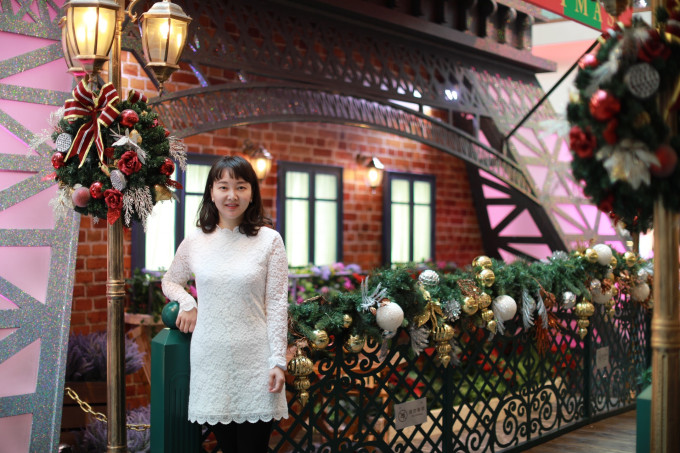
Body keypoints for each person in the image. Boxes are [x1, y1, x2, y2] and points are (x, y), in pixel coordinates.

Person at [161, 155, 289, 452]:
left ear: (252, 193)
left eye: (241, 187)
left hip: (256, 362)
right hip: (211, 362)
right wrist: (188, 302)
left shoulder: (270, 241)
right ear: (211, 192)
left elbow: (277, 304)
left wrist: (278, 361)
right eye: (223, 187)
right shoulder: (195, 240)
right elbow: (170, 281)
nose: (232, 195)